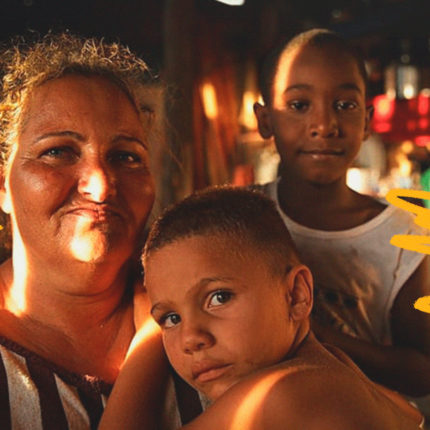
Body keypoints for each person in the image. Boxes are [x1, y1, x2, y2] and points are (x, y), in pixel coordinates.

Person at [0, 33, 199, 429]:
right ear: (3, 185)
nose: (102, 185)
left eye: (126, 156)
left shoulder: (212, 316)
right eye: (58, 151)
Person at [100, 186, 423, 430]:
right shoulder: (346, 377)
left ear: (296, 295)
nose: (191, 338)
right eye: (171, 318)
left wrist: (147, 336)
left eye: (219, 297)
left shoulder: (287, 393)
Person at [252, 29, 430, 401]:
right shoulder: (240, 218)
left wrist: (320, 338)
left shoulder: (403, 235)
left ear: (367, 120)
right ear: (265, 119)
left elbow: (421, 374)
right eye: (299, 105)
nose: (325, 125)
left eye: (345, 105)